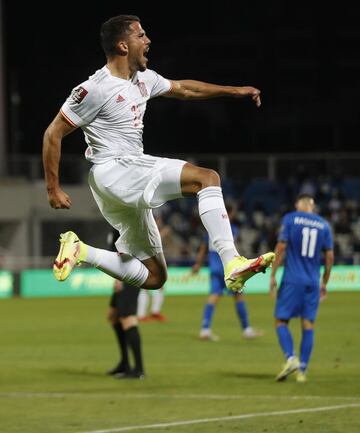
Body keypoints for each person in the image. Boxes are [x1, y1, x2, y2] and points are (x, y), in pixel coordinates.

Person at [43, 14, 275, 296]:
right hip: (114, 169)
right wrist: (53, 188)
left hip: (120, 180)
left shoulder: (144, 80)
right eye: (140, 35)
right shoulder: (94, 89)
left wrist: (233, 90)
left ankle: (81, 251)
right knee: (206, 178)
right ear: (123, 46)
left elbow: (184, 89)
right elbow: (53, 133)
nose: (148, 40)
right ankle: (232, 261)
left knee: (155, 277)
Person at [270, 194, 334, 382]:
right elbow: (330, 257)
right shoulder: (324, 225)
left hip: (292, 279)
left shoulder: (290, 219)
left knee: (281, 321)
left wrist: (273, 274)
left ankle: (291, 358)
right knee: (308, 324)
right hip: (313, 281)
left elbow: (281, 247)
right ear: (312, 206)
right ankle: (302, 371)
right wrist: (325, 281)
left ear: (299, 204)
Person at [193, 203, 263, 341]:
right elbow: (234, 248)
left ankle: (205, 329)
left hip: (214, 267)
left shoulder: (210, 229)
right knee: (238, 296)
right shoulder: (231, 228)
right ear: (229, 213)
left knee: (213, 296)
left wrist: (198, 264)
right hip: (229, 267)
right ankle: (246, 329)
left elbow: (203, 248)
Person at [106, 228, 145, 379]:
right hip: (122, 274)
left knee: (127, 318)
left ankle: (139, 369)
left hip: (129, 274)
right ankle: (125, 363)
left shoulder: (122, 221)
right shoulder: (113, 220)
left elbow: (128, 249)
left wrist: (120, 277)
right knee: (113, 316)